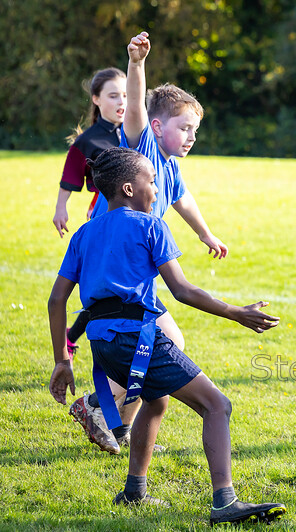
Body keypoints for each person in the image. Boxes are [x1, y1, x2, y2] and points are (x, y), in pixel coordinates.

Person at [48, 147, 286, 524]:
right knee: (216, 406)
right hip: (138, 341)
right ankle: (225, 502)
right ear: (129, 188)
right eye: (152, 182)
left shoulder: (84, 233)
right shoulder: (150, 226)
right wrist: (235, 312)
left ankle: (133, 493)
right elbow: (184, 291)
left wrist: (63, 360)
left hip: (103, 346)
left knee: (156, 401)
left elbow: (56, 299)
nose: (157, 190)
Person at [69, 31, 229, 455]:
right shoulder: (144, 150)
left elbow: (182, 199)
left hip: (134, 263)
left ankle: (121, 427)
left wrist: (205, 233)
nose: (192, 136)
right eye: (185, 128)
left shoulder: (170, 168)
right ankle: (98, 406)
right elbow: (137, 109)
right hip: (117, 260)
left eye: (195, 129)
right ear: (159, 128)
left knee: (163, 341)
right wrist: (137, 64)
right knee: (165, 341)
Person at [55, 67, 126, 358]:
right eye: (113, 95)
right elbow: (71, 175)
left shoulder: (136, 134)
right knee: (104, 285)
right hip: (101, 219)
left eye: (125, 94)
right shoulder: (88, 141)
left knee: (116, 285)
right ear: (96, 99)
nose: (121, 101)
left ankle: (74, 336)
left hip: (133, 220)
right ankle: (75, 338)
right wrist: (61, 208)